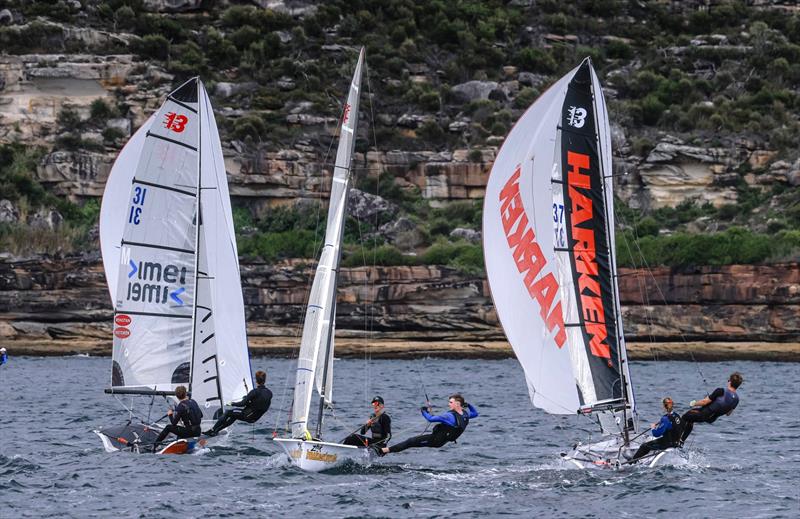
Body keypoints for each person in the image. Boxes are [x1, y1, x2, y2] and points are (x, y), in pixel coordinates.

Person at [379, 393, 478, 456]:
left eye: (451, 402)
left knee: (410, 442)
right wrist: (468, 405)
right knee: (411, 442)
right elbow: (475, 413)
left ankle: (382, 451)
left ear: (457, 404)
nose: (449, 404)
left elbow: (430, 419)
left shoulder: (448, 416)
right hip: (442, 441)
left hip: (434, 440)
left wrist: (423, 411)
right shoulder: (465, 415)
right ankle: (384, 451)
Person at [680, 372, 743, 444]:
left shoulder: (721, 391)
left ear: (730, 382)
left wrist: (693, 403)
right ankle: (681, 441)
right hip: (711, 419)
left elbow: (704, 402)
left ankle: (678, 439)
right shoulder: (737, 399)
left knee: (685, 416)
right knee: (690, 419)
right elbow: (728, 413)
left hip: (702, 414)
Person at [204, 370, 272, 436]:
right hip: (255, 418)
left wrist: (232, 403)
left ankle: (213, 430)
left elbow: (242, 404)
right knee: (234, 416)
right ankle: (216, 431)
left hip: (247, 415)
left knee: (228, 412)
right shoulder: (269, 393)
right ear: (264, 380)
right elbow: (260, 404)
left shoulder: (254, 392)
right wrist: (249, 400)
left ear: (256, 380)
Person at [628, 397, 682, 463]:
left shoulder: (665, 419)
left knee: (644, 446)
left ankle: (632, 462)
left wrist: (653, 428)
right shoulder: (677, 415)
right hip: (676, 442)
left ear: (664, 406)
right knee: (654, 442)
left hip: (668, 443)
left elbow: (656, 434)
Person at [153, 385, 203, 451]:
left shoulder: (180, 407)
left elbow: (174, 423)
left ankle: (155, 445)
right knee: (181, 429)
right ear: (185, 393)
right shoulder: (193, 401)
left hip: (189, 433)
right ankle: (180, 442)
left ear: (176, 396)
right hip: (198, 431)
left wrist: (170, 414)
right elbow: (201, 415)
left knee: (168, 427)